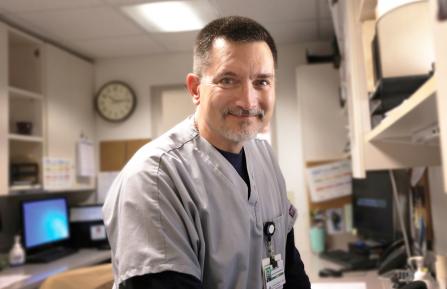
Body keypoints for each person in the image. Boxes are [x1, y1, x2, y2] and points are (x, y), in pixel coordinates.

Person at [103, 16, 311, 289]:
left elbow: (287, 261)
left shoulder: (264, 158)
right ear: (195, 89)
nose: (248, 100)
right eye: (228, 80)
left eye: (262, 82)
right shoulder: (154, 178)